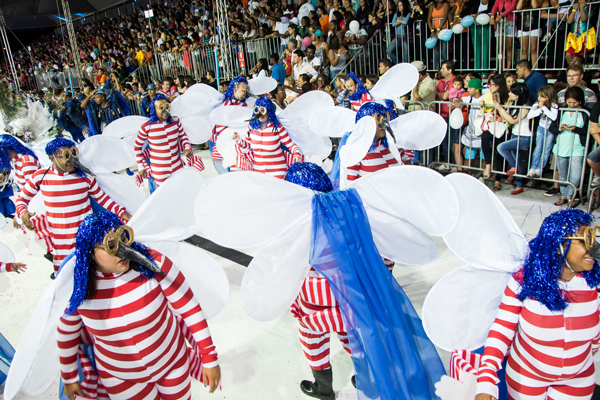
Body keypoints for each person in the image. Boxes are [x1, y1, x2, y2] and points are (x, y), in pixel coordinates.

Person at [58, 212, 221, 400]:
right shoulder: (80, 288)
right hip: (120, 378)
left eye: (124, 238)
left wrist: (209, 358)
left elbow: (189, 308)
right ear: (90, 253)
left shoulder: (153, 264)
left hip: (172, 364)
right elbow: (66, 331)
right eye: (111, 246)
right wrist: (69, 378)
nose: (123, 251)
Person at [474, 208, 600, 400]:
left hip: (578, 379)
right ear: (559, 246)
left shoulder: (593, 284)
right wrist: (486, 380)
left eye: (593, 237)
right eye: (584, 240)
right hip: (526, 377)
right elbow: (502, 329)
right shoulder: (524, 281)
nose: (593, 247)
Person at [15, 137, 132, 275]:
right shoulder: (41, 176)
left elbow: (102, 198)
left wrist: (121, 212)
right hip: (60, 241)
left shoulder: (85, 176)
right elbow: (21, 199)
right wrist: (23, 213)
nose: (71, 159)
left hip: (86, 238)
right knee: (65, 277)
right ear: (52, 158)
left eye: (73, 153)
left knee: (92, 276)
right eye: (65, 155)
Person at [134, 94, 197, 191]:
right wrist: (140, 166)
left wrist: (187, 148)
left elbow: (183, 136)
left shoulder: (176, 121)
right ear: (154, 109)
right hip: (160, 169)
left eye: (166, 106)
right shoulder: (147, 126)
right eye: (161, 108)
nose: (165, 111)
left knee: (181, 191)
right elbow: (137, 147)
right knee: (165, 194)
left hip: (177, 166)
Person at [232, 96, 302, 179]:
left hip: (278, 171)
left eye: (263, 110)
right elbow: (248, 145)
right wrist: (238, 140)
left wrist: (297, 154)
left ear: (269, 111)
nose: (260, 114)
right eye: (257, 110)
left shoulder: (278, 128)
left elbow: (291, 145)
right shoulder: (251, 127)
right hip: (258, 172)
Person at [552, 86, 589, 207]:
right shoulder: (561, 110)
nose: (572, 105)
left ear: (580, 101)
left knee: (575, 175)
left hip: (578, 148)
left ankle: (570, 196)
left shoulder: (586, 112)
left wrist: (576, 129)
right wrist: (559, 128)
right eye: (569, 102)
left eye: (575, 102)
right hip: (561, 146)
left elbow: (588, 131)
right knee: (562, 174)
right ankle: (563, 196)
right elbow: (552, 127)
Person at [495, 83, 533, 195]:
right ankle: (519, 185)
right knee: (518, 159)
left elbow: (513, 120)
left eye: (512, 92)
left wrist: (500, 109)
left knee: (501, 147)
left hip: (525, 137)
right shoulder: (515, 103)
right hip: (515, 134)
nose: (509, 93)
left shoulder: (525, 106)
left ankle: (514, 166)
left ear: (518, 95)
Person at [210, 77, 251, 175]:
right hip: (228, 147)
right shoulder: (226, 106)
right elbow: (220, 128)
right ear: (235, 89)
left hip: (241, 146)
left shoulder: (244, 105)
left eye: (246, 90)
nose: (244, 92)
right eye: (242, 90)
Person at [479, 74, 510, 191]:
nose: (490, 87)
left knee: (500, 150)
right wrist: (482, 105)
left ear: (499, 85)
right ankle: (488, 165)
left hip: (502, 126)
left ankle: (498, 179)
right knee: (485, 139)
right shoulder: (487, 95)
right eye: (489, 84)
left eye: (492, 85)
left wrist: (498, 118)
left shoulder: (507, 97)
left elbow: (509, 114)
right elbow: (485, 111)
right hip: (490, 124)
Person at [526, 85, 560, 178]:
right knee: (538, 149)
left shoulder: (554, 105)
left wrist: (544, 108)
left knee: (546, 150)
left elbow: (553, 117)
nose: (539, 98)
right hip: (541, 128)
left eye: (542, 96)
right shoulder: (537, 104)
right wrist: (540, 109)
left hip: (550, 129)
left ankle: (540, 169)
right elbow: (529, 115)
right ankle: (532, 168)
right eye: (539, 96)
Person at [436, 60, 456, 167]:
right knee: (444, 141)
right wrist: (440, 94)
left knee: (451, 141)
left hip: (450, 115)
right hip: (440, 114)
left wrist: (438, 94)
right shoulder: (440, 82)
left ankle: (452, 164)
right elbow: (440, 95)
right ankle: (447, 162)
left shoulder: (454, 81)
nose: (441, 70)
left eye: (443, 68)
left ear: (450, 70)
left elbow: (445, 97)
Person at [491, 0, 518, 69]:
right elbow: (494, 7)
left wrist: (501, 15)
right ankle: (500, 68)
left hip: (510, 23)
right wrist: (492, 17)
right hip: (500, 24)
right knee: (500, 48)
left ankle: (508, 69)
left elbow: (512, 7)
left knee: (509, 48)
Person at [387, 0, 412, 64]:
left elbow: (406, 22)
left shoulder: (408, 13)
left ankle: (406, 68)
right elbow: (393, 23)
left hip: (405, 37)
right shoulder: (396, 14)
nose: (399, 7)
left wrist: (399, 21)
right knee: (389, 51)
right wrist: (400, 21)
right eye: (398, 5)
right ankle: (398, 64)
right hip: (398, 37)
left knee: (406, 55)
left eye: (401, 5)